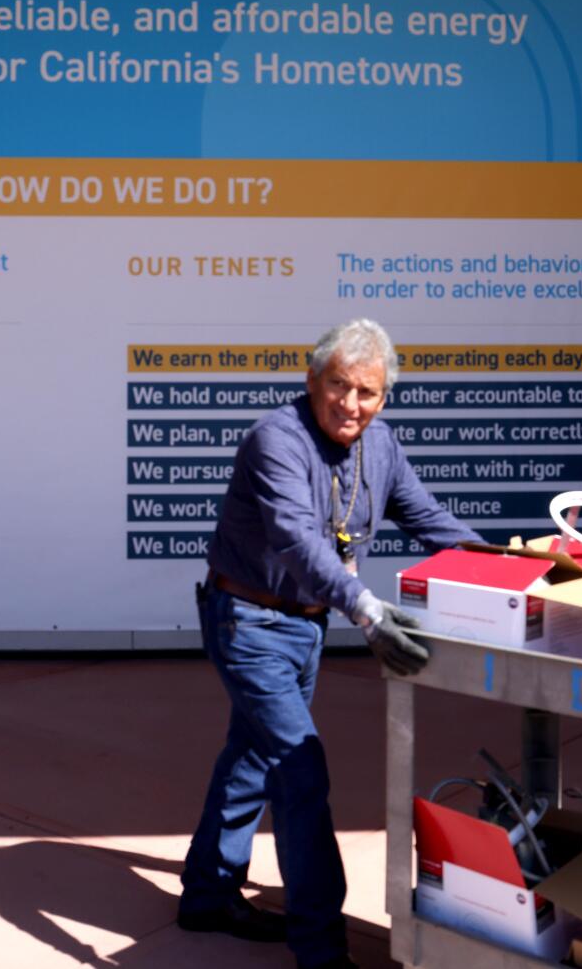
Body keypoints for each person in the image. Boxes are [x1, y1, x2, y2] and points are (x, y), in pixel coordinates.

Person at [177, 318, 481, 969]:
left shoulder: (384, 446)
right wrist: (367, 609)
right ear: (311, 379)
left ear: (384, 398)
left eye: (367, 392)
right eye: (338, 384)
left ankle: (206, 894)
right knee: (300, 772)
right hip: (249, 622)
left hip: (306, 627)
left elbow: (429, 521)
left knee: (253, 755)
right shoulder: (274, 440)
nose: (350, 403)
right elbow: (296, 540)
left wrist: (514, 563)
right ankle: (320, 951)